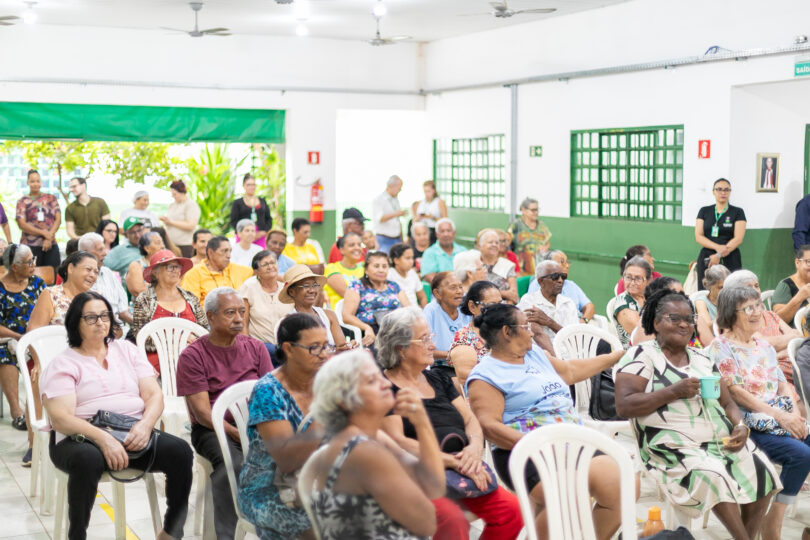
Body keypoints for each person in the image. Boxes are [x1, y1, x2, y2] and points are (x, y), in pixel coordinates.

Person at [614, 289, 779, 540]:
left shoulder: (702, 357)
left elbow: (727, 403)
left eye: (689, 319)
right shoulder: (642, 355)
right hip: (671, 446)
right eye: (674, 318)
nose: (683, 324)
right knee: (712, 475)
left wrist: (740, 426)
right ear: (656, 322)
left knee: (763, 470)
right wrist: (673, 392)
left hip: (718, 442)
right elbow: (624, 405)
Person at [40, 291, 193, 540]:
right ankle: (76, 536)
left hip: (131, 431)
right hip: (81, 437)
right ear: (75, 323)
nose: (100, 322)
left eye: (105, 316)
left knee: (180, 451)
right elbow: (61, 419)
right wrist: (103, 439)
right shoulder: (64, 363)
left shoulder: (126, 350)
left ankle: (171, 532)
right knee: (88, 460)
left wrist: (145, 426)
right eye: (91, 318)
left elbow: (154, 396)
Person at [466, 304, 628, 538]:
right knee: (566, 496)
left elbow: (570, 370)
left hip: (571, 441)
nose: (532, 331)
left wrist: (614, 358)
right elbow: (489, 427)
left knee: (623, 484)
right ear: (506, 332)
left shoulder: (534, 355)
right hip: (524, 450)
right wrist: (538, 445)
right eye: (525, 326)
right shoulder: (485, 375)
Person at [379, 307, 523, 540]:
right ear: (400, 348)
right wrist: (453, 462)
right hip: (419, 475)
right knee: (452, 519)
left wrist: (474, 450)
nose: (432, 345)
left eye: (431, 337)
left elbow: (470, 419)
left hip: (464, 469)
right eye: (424, 339)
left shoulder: (437, 377)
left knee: (512, 510)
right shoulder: (384, 387)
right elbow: (398, 441)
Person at [308, 348, 446, 539]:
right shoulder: (364, 453)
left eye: (379, 375)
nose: (385, 383)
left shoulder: (369, 437)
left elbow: (433, 486)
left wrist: (422, 424)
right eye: (371, 381)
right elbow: (428, 524)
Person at [707, 286, 810, 540]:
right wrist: (780, 416)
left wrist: (792, 410)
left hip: (774, 417)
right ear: (732, 313)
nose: (757, 312)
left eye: (758, 306)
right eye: (749, 308)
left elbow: (782, 383)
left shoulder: (762, 345)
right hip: (743, 421)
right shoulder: (721, 347)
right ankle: (774, 520)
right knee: (801, 455)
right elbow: (737, 393)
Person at [176, 287, 273, 540]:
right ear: (211, 316)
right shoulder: (193, 355)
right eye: (230, 313)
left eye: (241, 311)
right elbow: (203, 413)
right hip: (212, 430)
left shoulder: (255, 348)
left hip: (254, 425)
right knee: (233, 465)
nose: (239, 318)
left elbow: (270, 396)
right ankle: (228, 535)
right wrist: (238, 433)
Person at [237, 313, 332, 540]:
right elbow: (288, 461)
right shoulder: (269, 391)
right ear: (288, 349)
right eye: (314, 348)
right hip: (267, 489)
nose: (324, 355)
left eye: (326, 346)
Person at [131, 249, 206, 374]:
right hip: (158, 361)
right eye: (170, 267)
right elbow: (140, 336)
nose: (176, 271)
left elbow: (203, 331)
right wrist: (176, 340)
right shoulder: (145, 299)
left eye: (178, 267)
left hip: (191, 358)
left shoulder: (191, 298)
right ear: (155, 272)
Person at [724, 270, 802, 385]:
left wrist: (782, 352)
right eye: (749, 287)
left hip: (792, 363)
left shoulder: (770, 315)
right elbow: (761, 345)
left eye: (756, 286)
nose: (755, 290)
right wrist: (788, 344)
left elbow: (798, 337)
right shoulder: (739, 320)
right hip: (770, 372)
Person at [0, 245, 45, 437]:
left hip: (37, 336)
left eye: (33, 259)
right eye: (28, 262)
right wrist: (19, 337)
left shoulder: (37, 284)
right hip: (9, 338)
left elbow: (48, 310)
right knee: (5, 356)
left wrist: (33, 335)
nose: (33, 265)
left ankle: (38, 410)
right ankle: (17, 411)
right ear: (14, 266)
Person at [342, 251, 408, 347]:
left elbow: (409, 310)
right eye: (376, 266)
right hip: (372, 330)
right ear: (366, 269)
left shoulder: (394, 286)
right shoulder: (357, 285)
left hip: (397, 329)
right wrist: (366, 327)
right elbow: (347, 316)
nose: (381, 270)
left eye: (384, 266)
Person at [279, 265, 351, 351]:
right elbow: (303, 357)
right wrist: (336, 352)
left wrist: (349, 346)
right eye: (306, 286)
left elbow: (341, 346)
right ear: (292, 292)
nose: (312, 290)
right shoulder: (289, 323)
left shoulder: (329, 315)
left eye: (314, 285)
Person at [238, 251, 292, 361]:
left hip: (286, 345)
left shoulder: (286, 289)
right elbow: (243, 322)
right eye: (265, 264)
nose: (270, 267)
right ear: (256, 271)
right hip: (261, 347)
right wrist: (246, 347)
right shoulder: (249, 288)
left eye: (273, 263)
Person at [448, 281, 502, 388]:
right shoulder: (464, 338)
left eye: (500, 304)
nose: (498, 310)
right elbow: (467, 378)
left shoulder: (505, 329)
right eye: (491, 305)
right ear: (472, 307)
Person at [695, 178, 747, 290]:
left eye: (726, 190)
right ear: (713, 191)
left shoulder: (738, 212)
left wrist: (719, 255)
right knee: (705, 290)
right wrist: (717, 247)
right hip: (707, 257)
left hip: (730, 255)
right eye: (719, 189)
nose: (723, 192)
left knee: (732, 291)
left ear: (730, 192)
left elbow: (738, 238)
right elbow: (698, 236)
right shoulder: (704, 211)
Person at [78, 233, 134, 331]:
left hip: (120, 330)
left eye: (104, 248)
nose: (105, 253)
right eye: (100, 250)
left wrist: (144, 326)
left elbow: (123, 312)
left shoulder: (108, 273)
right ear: (85, 253)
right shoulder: (79, 279)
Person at [517, 259, 578, 341]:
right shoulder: (529, 301)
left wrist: (550, 322)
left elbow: (575, 338)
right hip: (541, 351)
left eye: (563, 276)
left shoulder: (568, 303)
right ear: (541, 281)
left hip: (568, 350)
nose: (560, 281)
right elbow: (537, 336)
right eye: (555, 277)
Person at [180, 235, 253, 304]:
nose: (229, 256)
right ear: (210, 253)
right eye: (224, 251)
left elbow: (258, 272)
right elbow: (192, 305)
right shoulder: (194, 273)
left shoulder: (236, 269)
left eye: (230, 251)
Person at [527, 250, 595, 322]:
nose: (567, 266)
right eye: (562, 262)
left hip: (576, 327)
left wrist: (583, 321)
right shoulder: (540, 283)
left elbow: (589, 307)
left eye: (567, 262)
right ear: (548, 265)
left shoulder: (571, 285)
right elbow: (533, 312)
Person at [423, 272, 473, 370]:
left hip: (468, 364)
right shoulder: (431, 310)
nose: (459, 291)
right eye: (453, 287)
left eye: (460, 287)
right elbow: (424, 348)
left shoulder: (466, 308)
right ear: (437, 293)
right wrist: (453, 355)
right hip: (441, 366)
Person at [16, 169, 61, 273]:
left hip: (50, 244)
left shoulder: (51, 198)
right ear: (27, 182)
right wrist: (44, 234)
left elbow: (58, 219)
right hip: (29, 246)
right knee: (29, 276)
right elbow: (22, 224)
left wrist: (49, 238)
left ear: (41, 182)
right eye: (32, 181)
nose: (35, 184)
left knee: (52, 275)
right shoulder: (22, 201)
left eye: (38, 181)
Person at [612, 256, 651, 348]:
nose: (632, 283)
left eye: (638, 279)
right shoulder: (623, 303)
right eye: (628, 277)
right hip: (635, 355)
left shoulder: (648, 298)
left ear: (648, 281)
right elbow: (643, 335)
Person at [507, 197, 551, 277]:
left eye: (537, 210)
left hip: (538, 270)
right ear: (523, 210)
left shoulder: (542, 226)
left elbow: (547, 243)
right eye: (533, 210)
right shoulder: (516, 225)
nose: (536, 213)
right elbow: (506, 244)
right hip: (519, 271)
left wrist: (545, 247)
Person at [323, 232, 365, 309]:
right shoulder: (331, 268)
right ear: (342, 250)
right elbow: (347, 295)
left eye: (359, 245)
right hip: (338, 315)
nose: (357, 248)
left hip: (362, 311)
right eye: (351, 245)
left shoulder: (364, 268)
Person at [160, 180, 201, 258]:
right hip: (171, 245)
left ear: (182, 192)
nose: (173, 196)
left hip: (185, 246)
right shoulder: (172, 205)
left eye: (175, 194)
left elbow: (191, 225)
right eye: (172, 194)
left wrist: (171, 222)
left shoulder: (190, 205)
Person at [773, 244, 810, 328]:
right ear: (797, 262)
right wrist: (799, 297)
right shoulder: (786, 286)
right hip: (796, 336)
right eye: (809, 262)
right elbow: (778, 319)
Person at [420, 218, 467, 285]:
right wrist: (451, 286)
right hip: (440, 292)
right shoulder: (429, 253)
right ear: (437, 234)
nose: (446, 234)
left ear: (454, 233)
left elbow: (470, 273)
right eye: (442, 231)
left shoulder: (463, 251)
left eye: (448, 231)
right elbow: (430, 277)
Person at [230, 173, 272, 247]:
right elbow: (233, 221)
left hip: (260, 236)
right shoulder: (237, 203)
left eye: (253, 184)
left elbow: (268, 219)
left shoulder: (262, 201)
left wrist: (263, 232)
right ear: (243, 186)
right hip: (243, 237)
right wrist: (245, 233)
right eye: (248, 185)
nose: (251, 187)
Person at [478, 229, 518, 304]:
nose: (494, 245)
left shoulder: (507, 265)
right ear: (480, 246)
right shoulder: (476, 265)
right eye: (490, 242)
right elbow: (477, 293)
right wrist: (504, 293)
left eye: (497, 242)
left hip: (505, 309)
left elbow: (514, 296)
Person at [694, 264, 730, 345]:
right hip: (709, 343)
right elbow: (707, 328)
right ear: (708, 285)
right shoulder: (701, 302)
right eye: (720, 287)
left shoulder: (730, 299)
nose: (724, 291)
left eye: (727, 287)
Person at [372, 175, 407, 254]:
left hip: (396, 237)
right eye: (399, 188)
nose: (400, 190)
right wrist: (396, 214)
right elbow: (380, 218)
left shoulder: (395, 199)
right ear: (392, 186)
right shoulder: (379, 200)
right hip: (384, 238)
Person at [126, 231, 167, 298]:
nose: (163, 246)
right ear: (147, 248)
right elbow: (139, 291)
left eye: (162, 242)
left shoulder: (166, 263)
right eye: (158, 243)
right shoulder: (137, 265)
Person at [388, 243, 427, 308]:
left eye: (412, 258)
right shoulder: (389, 275)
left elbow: (422, 297)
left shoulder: (412, 273)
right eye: (407, 258)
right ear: (396, 260)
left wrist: (425, 314)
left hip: (415, 312)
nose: (411, 261)